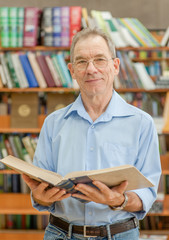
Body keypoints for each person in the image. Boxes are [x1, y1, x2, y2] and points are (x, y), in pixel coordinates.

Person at [22, 27, 161, 240]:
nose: (91, 69)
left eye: (99, 59)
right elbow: (42, 190)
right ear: (72, 71)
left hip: (120, 234)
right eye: (81, 62)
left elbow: (147, 196)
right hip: (60, 234)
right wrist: (41, 198)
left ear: (115, 66)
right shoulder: (53, 123)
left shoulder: (142, 123)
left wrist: (118, 200)